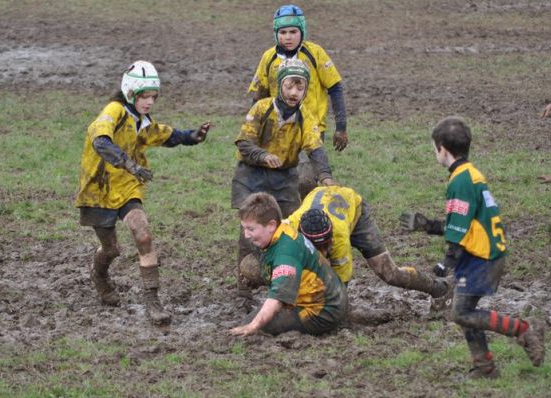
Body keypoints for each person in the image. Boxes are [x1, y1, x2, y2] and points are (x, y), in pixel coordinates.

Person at [401, 116, 545, 378]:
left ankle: (523, 329)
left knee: (462, 312)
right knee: (465, 309)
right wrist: (428, 225)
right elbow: (465, 222)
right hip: (480, 253)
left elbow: (459, 229)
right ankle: (485, 367)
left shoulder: (460, 180)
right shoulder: (470, 174)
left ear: (442, 149)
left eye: (434, 148)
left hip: (483, 257)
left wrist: (448, 261)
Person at [75, 60, 212, 325]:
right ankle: (100, 275)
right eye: (144, 96)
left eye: (153, 96)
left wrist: (191, 136)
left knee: (143, 233)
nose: (149, 102)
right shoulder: (113, 111)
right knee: (111, 249)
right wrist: (128, 163)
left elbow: (163, 135)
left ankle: (153, 300)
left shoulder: (142, 120)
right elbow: (100, 140)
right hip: (99, 188)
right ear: (130, 93)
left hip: (127, 186)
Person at [232, 58, 334, 299]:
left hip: (285, 177)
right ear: (279, 85)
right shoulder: (261, 108)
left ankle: (290, 280)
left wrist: (326, 177)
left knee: (290, 227)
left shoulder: (305, 117)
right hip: (252, 175)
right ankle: (243, 288)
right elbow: (243, 142)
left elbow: (315, 148)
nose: (294, 93)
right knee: (249, 231)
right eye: (289, 86)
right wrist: (263, 155)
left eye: (300, 88)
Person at [239, 185, 449, 302]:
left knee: (388, 272)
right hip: (322, 200)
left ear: (330, 239)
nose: (323, 252)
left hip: (355, 212)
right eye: (317, 248)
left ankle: (439, 288)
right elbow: (271, 249)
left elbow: (339, 287)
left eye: (325, 247)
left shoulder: (339, 239)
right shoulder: (289, 227)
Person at [248, 4, 348, 197]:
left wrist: (341, 127)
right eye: (283, 32)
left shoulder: (315, 53)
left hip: (310, 130)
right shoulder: (268, 58)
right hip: (277, 132)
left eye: (293, 31)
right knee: (276, 184)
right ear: (276, 33)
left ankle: (308, 218)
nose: (288, 37)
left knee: (304, 181)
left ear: (302, 31)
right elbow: (258, 97)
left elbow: (335, 88)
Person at [229, 192, 347, 336]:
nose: (246, 235)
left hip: (322, 312)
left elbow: (278, 297)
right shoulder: (283, 228)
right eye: (244, 228)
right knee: (253, 318)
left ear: (271, 225)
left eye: (251, 229)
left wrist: (253, 326)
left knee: (251, 327)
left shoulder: (285, 253)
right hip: (332, 296)